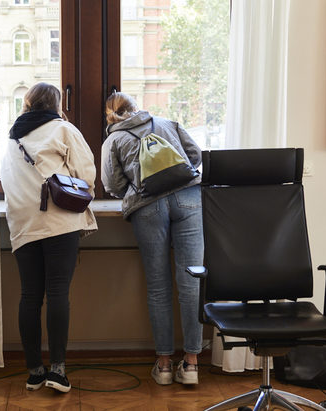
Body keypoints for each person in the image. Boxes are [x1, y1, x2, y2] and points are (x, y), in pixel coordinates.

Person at [101, 92, 203, 386]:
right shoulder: (166, 122)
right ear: (136, 107)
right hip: (188, 199)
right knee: (192, 282)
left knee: (158, 286)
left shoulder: (113, 140)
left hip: (147, 207)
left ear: (110, 115)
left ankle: (165, 365)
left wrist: (137, 187)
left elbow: (113, 184)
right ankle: (193, 364)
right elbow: (195, 156)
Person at [1, 82, 97, 393]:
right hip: (59, 222)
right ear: (56, 104)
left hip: (23, 224)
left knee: (30, 295)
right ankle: (58, 371)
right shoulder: (63, 129)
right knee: (57, 293)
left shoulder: (13, 138)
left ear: (27, 105)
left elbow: (8, 181)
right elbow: (86, 175)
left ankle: (34, 372)